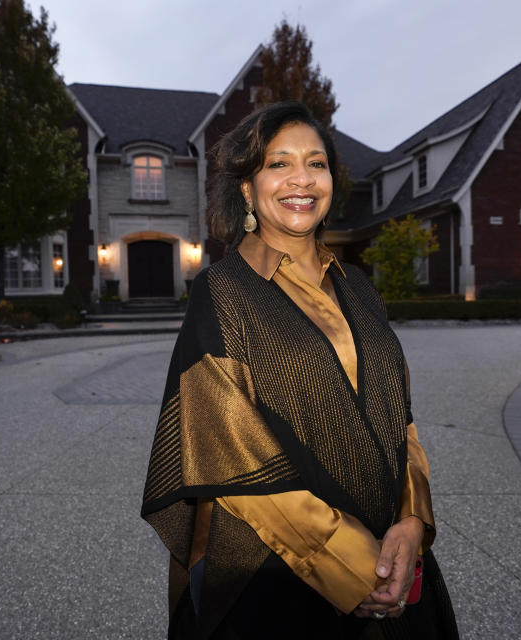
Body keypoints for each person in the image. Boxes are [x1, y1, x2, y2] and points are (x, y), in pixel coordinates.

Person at [141, 101, 459, 639]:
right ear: (247, 187)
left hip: (392, 549)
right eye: (278, 163)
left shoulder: (359, 286)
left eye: (316, 163)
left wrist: (412, 521)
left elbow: (398, 417)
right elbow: (229, 453)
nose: (301, 179)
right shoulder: (222, 292)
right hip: (277, 574)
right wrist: (355, 565)